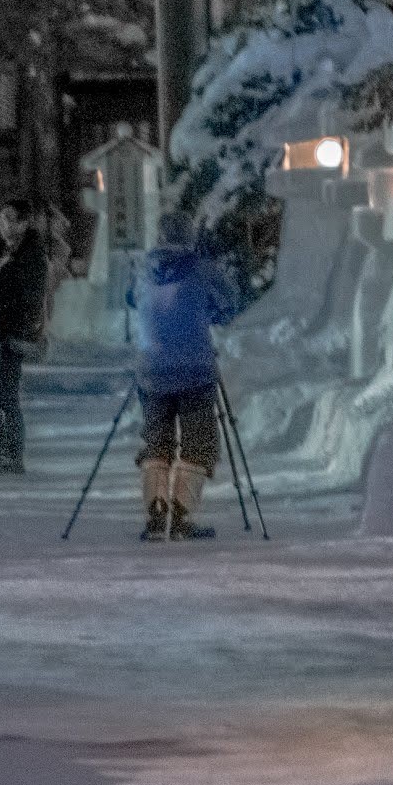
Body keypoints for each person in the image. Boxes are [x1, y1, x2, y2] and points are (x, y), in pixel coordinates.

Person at [127, 210, 246, 542]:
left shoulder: (142, 270)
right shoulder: (202, 269)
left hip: (151, 369)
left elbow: (131, 300)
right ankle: (180, 514)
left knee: (156, 440)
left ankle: (156, 514)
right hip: (194, 369)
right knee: (199, 441)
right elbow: (230, 302)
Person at [0, 195, 55, 474]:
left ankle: (11, 454)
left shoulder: (31, 255)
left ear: (24, 223)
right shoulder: (4, 251)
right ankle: (1, 450)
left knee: (4, 394)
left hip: (10, 333)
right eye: (1, 219)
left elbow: (27, 296)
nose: (4, 225)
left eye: (10, 219)